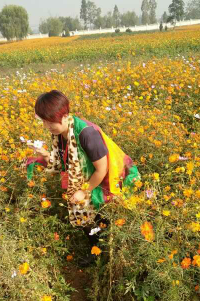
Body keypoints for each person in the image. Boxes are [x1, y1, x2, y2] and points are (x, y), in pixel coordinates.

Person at [26, 90, 140, 266]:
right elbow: (63, 162)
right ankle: (97, 247)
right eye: (44, 121)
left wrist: (83, 191)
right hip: (88, 178)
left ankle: (106, 251)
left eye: (50, 121)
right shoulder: (60, 133)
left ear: (65, 115)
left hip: (109, 178)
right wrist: (45, 155)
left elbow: (101, 170)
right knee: (88, 216)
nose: (47, 126)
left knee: (104, 215)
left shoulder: (86, 134)